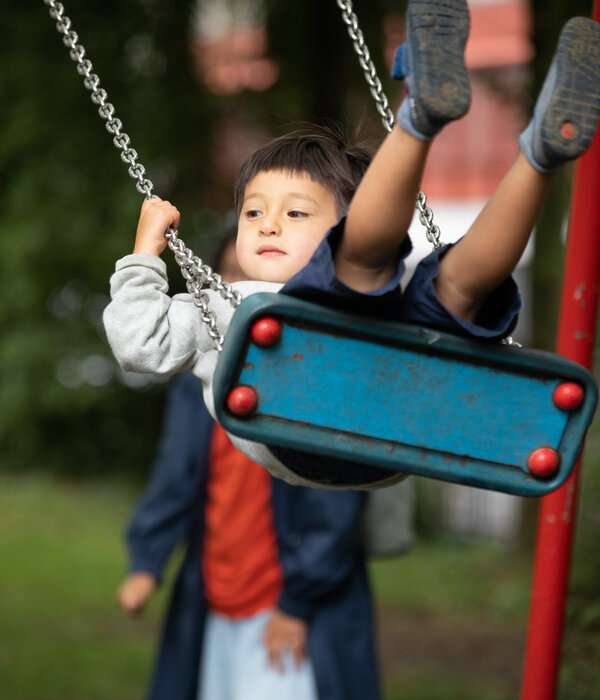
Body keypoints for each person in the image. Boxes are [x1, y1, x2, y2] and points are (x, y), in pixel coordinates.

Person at [104, 2, 600, 492]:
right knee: (388, 278)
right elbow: (138, 347)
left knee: (452, 286)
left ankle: (539, 154)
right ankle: (446, 126)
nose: (267, 226)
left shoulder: (351, 286)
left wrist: (145, 255)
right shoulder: (215, 304)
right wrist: (146, 254)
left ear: (352, 220)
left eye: (295, 214)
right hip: (311, 431)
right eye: (253, 213)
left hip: (385, 419)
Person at [116, 231, 400, 700]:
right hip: (217, 603)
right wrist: (148, 559)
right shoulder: (202, 371)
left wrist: (299, 602)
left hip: (287, 613)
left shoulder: (313, 364)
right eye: (223, 284)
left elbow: (337, 499)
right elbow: (177, 475)